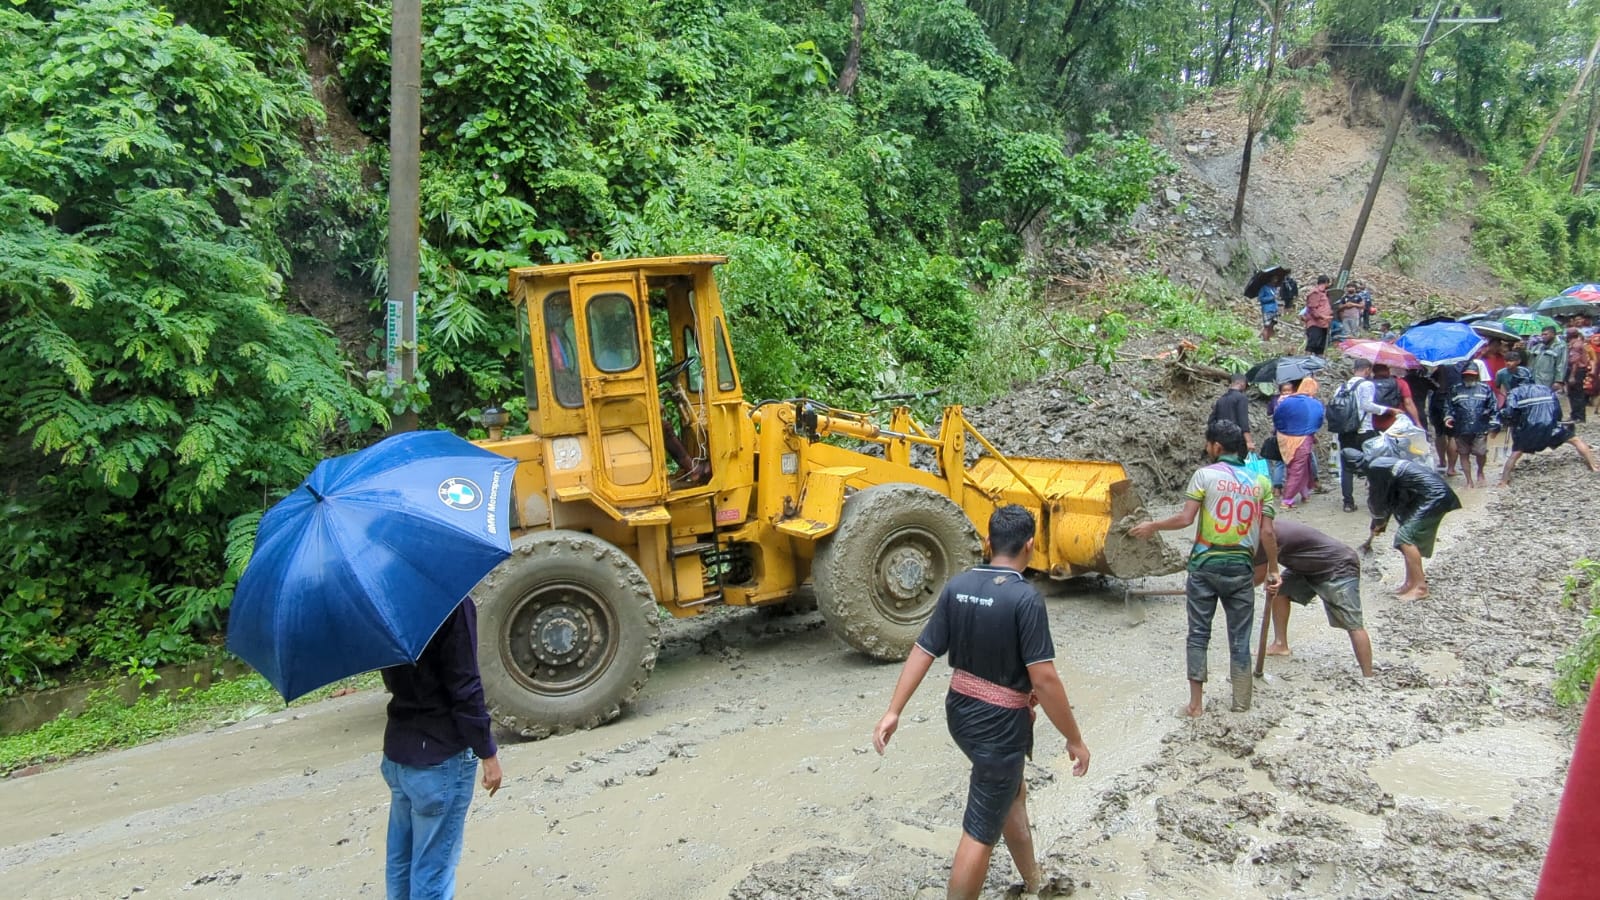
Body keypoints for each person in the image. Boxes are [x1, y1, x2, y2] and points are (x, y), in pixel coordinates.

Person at [872, 505, 1090, 900]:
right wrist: (1073, 738)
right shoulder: (1026, 599)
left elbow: (923, 650)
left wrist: (894, 711)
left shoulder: (957, 586)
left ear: (988, 543)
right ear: (1031, 545)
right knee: (980, 831)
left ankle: (1032, 880)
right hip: (999, 725)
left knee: (1010, 794)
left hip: (961, 713)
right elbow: (1044, 677)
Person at [1130, 420, 1280, 717]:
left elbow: (1186, 519)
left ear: (1217, 447)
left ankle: (1195, 705)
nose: (1205, 448)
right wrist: (1273, 568)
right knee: (1240, 637)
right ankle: (1241, 702)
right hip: (1241, 569)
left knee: (1198, 634)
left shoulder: (1204, 476)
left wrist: (1154, 525)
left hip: (1204, 566)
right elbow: (1268, 534)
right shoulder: (1261, 483)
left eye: (1207, 443)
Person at [381, 598, 504, 900]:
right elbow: (465, 686)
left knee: (401, 860)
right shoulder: (451, 602)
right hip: (440, 757)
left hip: (399, 751)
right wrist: (487, 752)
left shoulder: (385, 600)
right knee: (433, 871)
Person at [1255, 519, 1374, 677]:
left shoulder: (1265, 534)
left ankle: (1368, 675)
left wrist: (1230, 592)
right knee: (1281, 592)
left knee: (1353, 623)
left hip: (1338, 566)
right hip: (1307, 566)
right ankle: (1280, 644)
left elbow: (1257, 576)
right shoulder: (1266, 527)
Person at [1348, 449, 1461, 601]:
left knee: (1405, 538)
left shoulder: (1375, 468)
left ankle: (1420, 587)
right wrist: (1380, 522)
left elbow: (1377, 499)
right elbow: (1389, 499)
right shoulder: (1380, 462)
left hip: (1433, 497)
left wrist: (1379, 520)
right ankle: (1410, 583)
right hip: (1428, 496)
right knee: (1406, 536)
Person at [1496, 381, 1600, 486]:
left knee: (1516, 453)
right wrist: (1556, 423)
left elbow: (1509, 413)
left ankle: (1504, 481)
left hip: (1528, 430)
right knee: (1576, 440)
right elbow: (1557, 409)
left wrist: (1512, 425)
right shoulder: (1545, 389)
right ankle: (1594, 466)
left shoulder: (1514, 393)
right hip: (1551, 427)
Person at [1334, 359, 1397, 513]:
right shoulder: (1367, 385)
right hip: (1364, 431)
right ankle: (1376, 501)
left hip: (1345, 431)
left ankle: (1348, 502)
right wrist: (1388, 410)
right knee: (1372, 465)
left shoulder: (1341, 387)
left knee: (1346, 467)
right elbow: (1367, 405)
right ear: (1368, 370)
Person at [1443, 361, 1497, 488]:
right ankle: (1469, 481)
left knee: (1481, 452)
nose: (1469, 377)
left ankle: (1480, 472)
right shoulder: (1455, 389)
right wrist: (1448, 418)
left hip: (1480, 426)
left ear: (1477, 376)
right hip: (1461, 427)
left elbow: (1493, 407)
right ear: (1463, 376)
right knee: (1463, 453)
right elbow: (1448, 407)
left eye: (1472, 375)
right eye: (1467, 375)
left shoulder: (1485, 389)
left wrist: (1493, 424)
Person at [1272, 377, 1323, 508]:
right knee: (1298, 469)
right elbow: (1317, 421)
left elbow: (1277, 418)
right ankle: (1287, 499)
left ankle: (1305, 493)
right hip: (1303, 439)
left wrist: (1284, 431)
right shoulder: (1313, 403)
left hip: (1284, 437)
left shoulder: (1287, 401)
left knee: (1300, 467)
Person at [1425, 362, 1463, 476]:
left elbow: (1432, 383)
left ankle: (1442, 462)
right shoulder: (1458, 368)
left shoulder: (1439, 368)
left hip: (1437, 400)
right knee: (1453, 435)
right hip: (1452, 400)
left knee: (1439, 432)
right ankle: (1451, 468)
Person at [1369, 363, 1421, 433]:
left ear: (1373, 371)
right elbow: (1408, 403)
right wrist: (1417, 423)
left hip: (1372, 424)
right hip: (1395, 423)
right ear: (1388, 370)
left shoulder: (1367, 384)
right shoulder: (1400, 382)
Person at [1209, 373, 1254, 452]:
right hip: (1237, 441)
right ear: (1242, 383)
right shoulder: (1241, 398)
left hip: (1221, 442)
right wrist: (1249, 441)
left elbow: (1211, 421)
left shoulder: (1221, 399)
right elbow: (1243, 422)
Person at [1528, 325, 1568, 395]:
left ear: (1553, 334)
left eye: (1546, 334)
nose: (1543, 336)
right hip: (1535, 379)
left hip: (1548, 380)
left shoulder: (1561, 346)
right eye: (1542, 334)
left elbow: (1562, 364)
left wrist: (1558, 381)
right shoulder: (1539, 346)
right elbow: (1530, 360)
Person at [1302, 275, 1333, 356]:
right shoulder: (1315, 292)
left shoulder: (1324, 293)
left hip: (1324, 324)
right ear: (1326, 282)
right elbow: (1312, 309)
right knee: (1312, 344)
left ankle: (1318, 365)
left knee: (1320, 347)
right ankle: (1306, 361)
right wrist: (1324, 316)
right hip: (1315, 323)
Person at [1566, 327, 1590, 424]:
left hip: (1576, 371)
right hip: (1579, 370)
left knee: (1576, 394)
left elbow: (1575, 362)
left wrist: (1572, 376)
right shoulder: (1578, 343)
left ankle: (1578, 416)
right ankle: (1576, 415)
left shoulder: (1575, 345)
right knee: (1574, 394)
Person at [1257, 272, 1283, 341]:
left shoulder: (1274, 288)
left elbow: (1276, 297)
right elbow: (1260, 299)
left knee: (1272, 325)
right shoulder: (1264, 288)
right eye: (1274, 279)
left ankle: (1269, 339)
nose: (1275, 281)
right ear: (1270, 279)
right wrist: (1271, 298)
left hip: (1274, 309)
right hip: (1267, 309)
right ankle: (1265, 340)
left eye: (1276, 279)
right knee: (1266, 326)